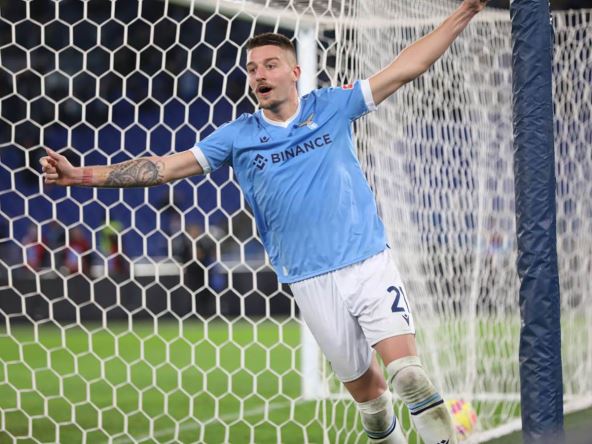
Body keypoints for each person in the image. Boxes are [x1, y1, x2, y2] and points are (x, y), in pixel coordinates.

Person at [40, 1, 488, 442]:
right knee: (371, 401)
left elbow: (406, 67)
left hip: (366, 261)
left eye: (270, 65)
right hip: (309, 279)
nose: (259, 75)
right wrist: (80, 175)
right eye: (252, 69)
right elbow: (164, 168)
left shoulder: (332, 105)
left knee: (408, 376)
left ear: (294, 72)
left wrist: (466, 10)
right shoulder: (237, 136)